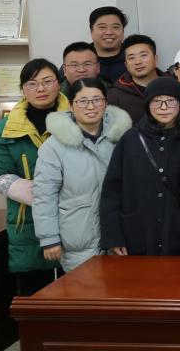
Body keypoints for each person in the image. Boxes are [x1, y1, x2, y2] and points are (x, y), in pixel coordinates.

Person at [0, 59, 68, 295]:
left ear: (59, 84)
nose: (40, 89)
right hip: (25, 222)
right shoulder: (7, 127)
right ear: (23, 89)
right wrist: (41, 194)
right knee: (34, 297)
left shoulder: (78, 119)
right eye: (32, 84)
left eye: (47, 81)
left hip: (73, 218)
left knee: (76, 295)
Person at [34, 78, 132, 271]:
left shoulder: (122, 139)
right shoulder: (54, 147)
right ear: (71, 105)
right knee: (85, 289)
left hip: (119, 239)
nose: (91, 107)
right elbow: (44, 196)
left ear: (105, 103)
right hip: (77, 241)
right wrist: (49, 238)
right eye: (83, 101)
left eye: (97, 100)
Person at [100, 77, 180, 256]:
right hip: (138, 232)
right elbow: (112, 191)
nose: (163, 107)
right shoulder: (131, 138)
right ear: (147, 104)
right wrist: (114, 236)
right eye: (156, 101)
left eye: (170, 101)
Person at [107, 34, 164, 123]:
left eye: (143, 55)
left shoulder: (173, 85)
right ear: (126, 64)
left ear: (155, 59)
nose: (138, 62)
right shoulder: (114, 95)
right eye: (131, 58)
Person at [89, 6, 128, 84]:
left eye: (115, 27)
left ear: (123, 31)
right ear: (91, 31)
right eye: (102, 27)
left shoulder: (135, 60)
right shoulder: (79, 60)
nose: (109, 32)